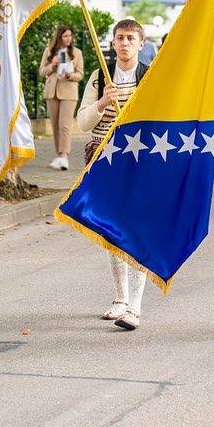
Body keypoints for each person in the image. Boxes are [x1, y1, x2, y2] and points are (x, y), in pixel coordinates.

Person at [76, 19, 150, 330]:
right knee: (111, 231)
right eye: (120, 38)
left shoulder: (150, 76)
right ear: (113, 42)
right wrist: (104, 102)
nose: (124, 43)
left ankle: (135, 305)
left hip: (139, 160)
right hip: (104, 159)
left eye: (131, 38)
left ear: (141, 44)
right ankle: (119, 298)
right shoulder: (99, 77)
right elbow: (82, 123)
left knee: (136, 230)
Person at [39, 25, 85, 171]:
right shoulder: (49, 51)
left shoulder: (77, 53)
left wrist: (70, 75)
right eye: (65, 36)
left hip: (69, 92)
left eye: (70, 36)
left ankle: (64, 156)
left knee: (65, 124)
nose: (68, 39)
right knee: (55, 125)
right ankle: (59, 155)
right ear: (59, 37)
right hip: (52, 91)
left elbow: (80, 74)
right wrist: (53, 64)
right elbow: (42, 72)